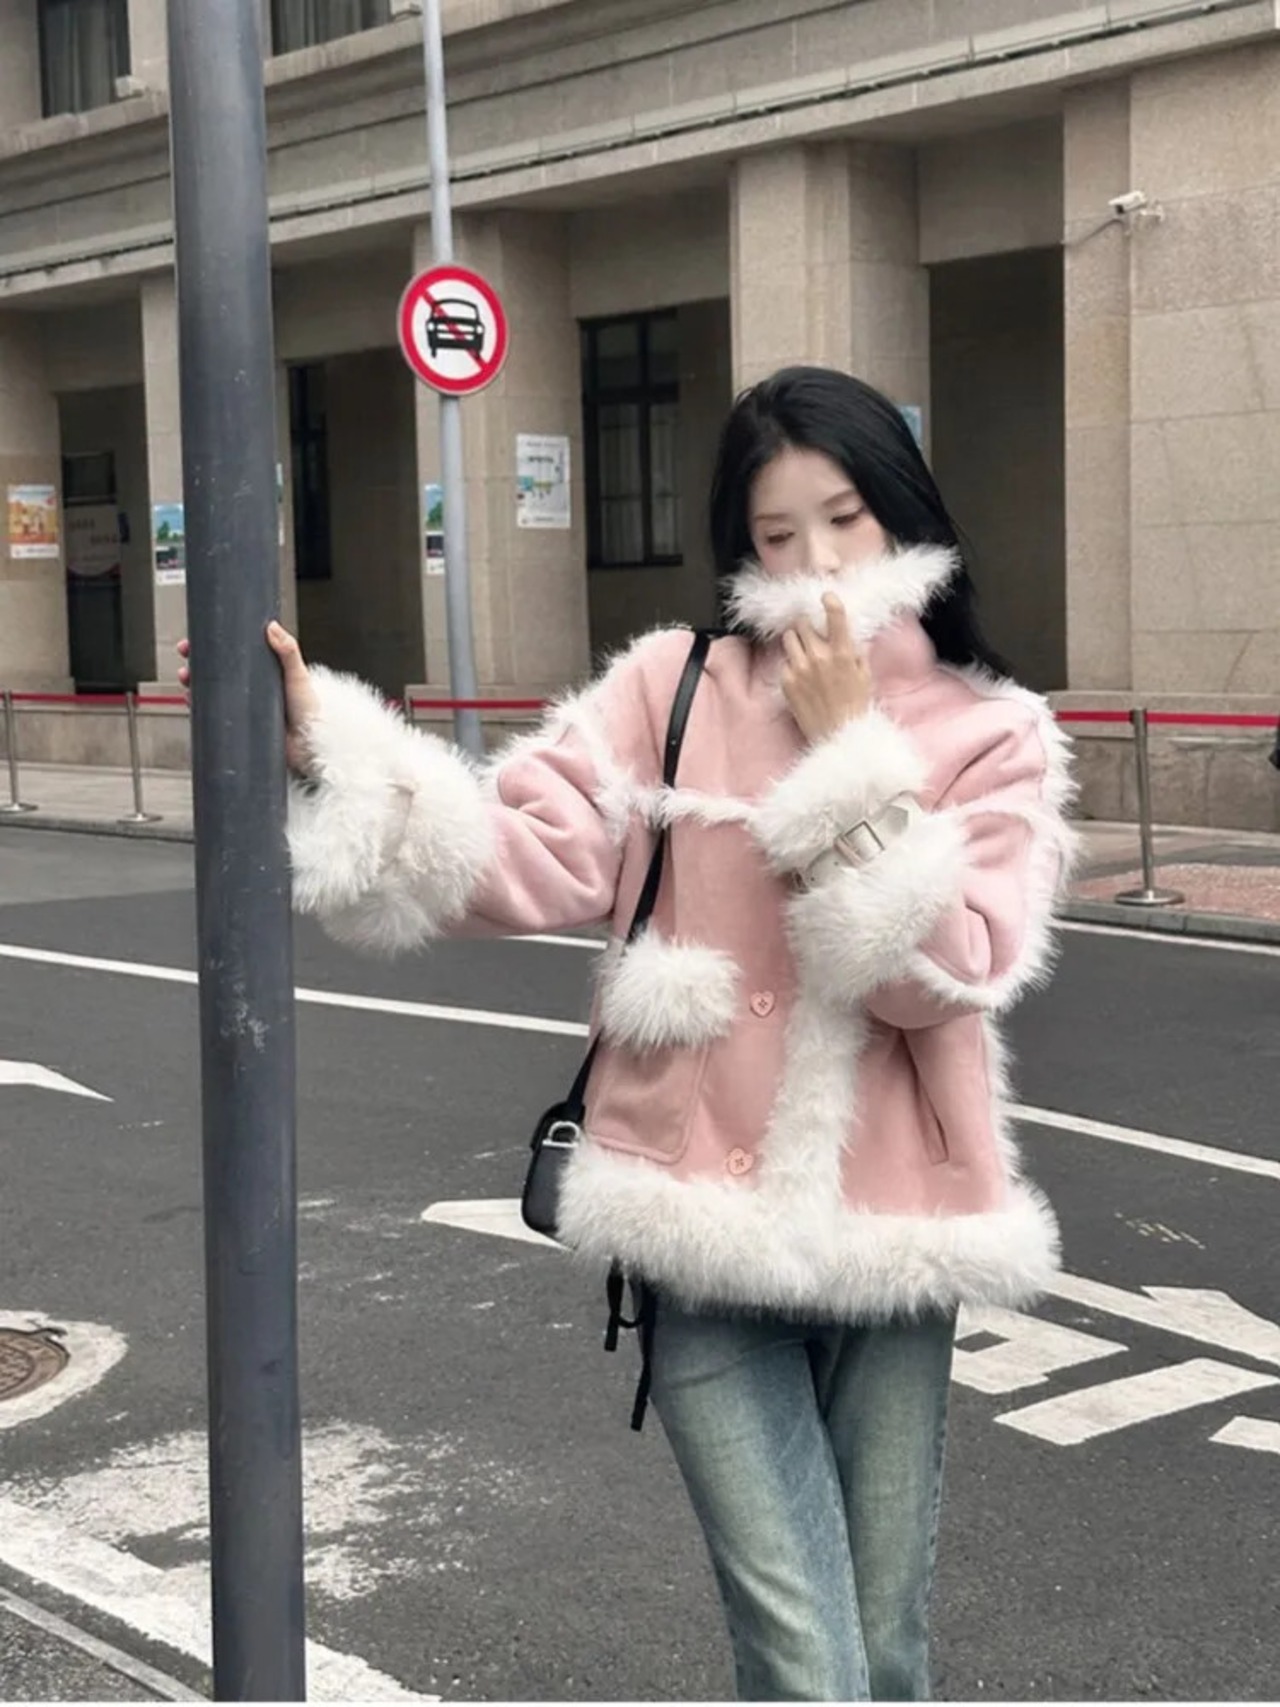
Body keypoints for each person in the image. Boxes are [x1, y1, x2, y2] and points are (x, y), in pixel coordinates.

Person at [179, 366, 1074, 1702]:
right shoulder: (672, 686)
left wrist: (849, 753)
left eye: (846, 519)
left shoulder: (994, 733)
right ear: (740, 547)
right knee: (805, 1659)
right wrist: (329, 751)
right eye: (778, 534)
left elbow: (945, 975)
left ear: (903, 512)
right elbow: (518, 850)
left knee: (883, 1655)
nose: (819, 564)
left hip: (895, 1241)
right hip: (691, 1223)